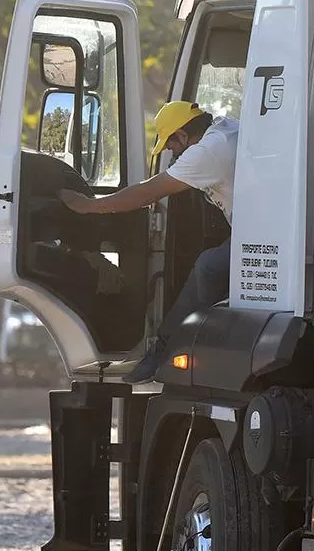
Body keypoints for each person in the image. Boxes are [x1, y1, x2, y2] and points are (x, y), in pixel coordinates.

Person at [60, 100, 238, 383]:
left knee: (209, 266)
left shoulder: (207, 152)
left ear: (182, 135)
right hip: (257, 230)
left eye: (172, 147)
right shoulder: (225, 129)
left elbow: (149, 192)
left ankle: (166, 347)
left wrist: (89, 206)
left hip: (259, 236)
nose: (173, 154)